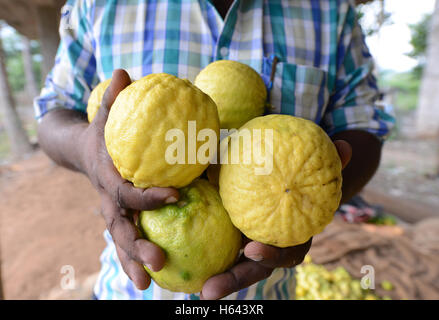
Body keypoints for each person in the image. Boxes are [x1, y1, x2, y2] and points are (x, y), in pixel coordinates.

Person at [34, 0, 393, 300]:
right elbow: (52, 112)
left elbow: (366, 125)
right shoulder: (96, 5)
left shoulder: (331, 10)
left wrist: (313, 200)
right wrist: (91, 153)